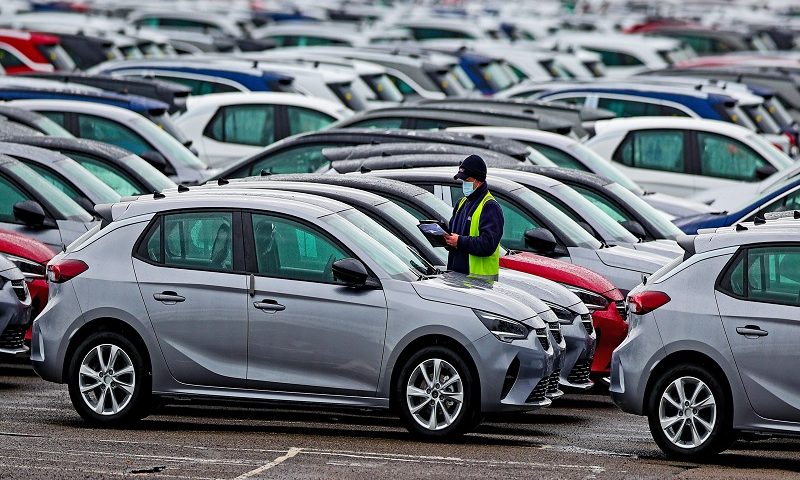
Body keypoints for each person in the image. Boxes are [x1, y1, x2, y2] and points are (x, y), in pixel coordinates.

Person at [443, 154, 504, 281]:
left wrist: (459, 241)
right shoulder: (461, 203)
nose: (464, 184)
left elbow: (488, 244)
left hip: (479, 284)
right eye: (463, 181)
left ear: (478, 180)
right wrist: (446, 239)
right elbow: (454, 235)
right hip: (456, 278)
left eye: (467, 180)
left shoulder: (489, 206)